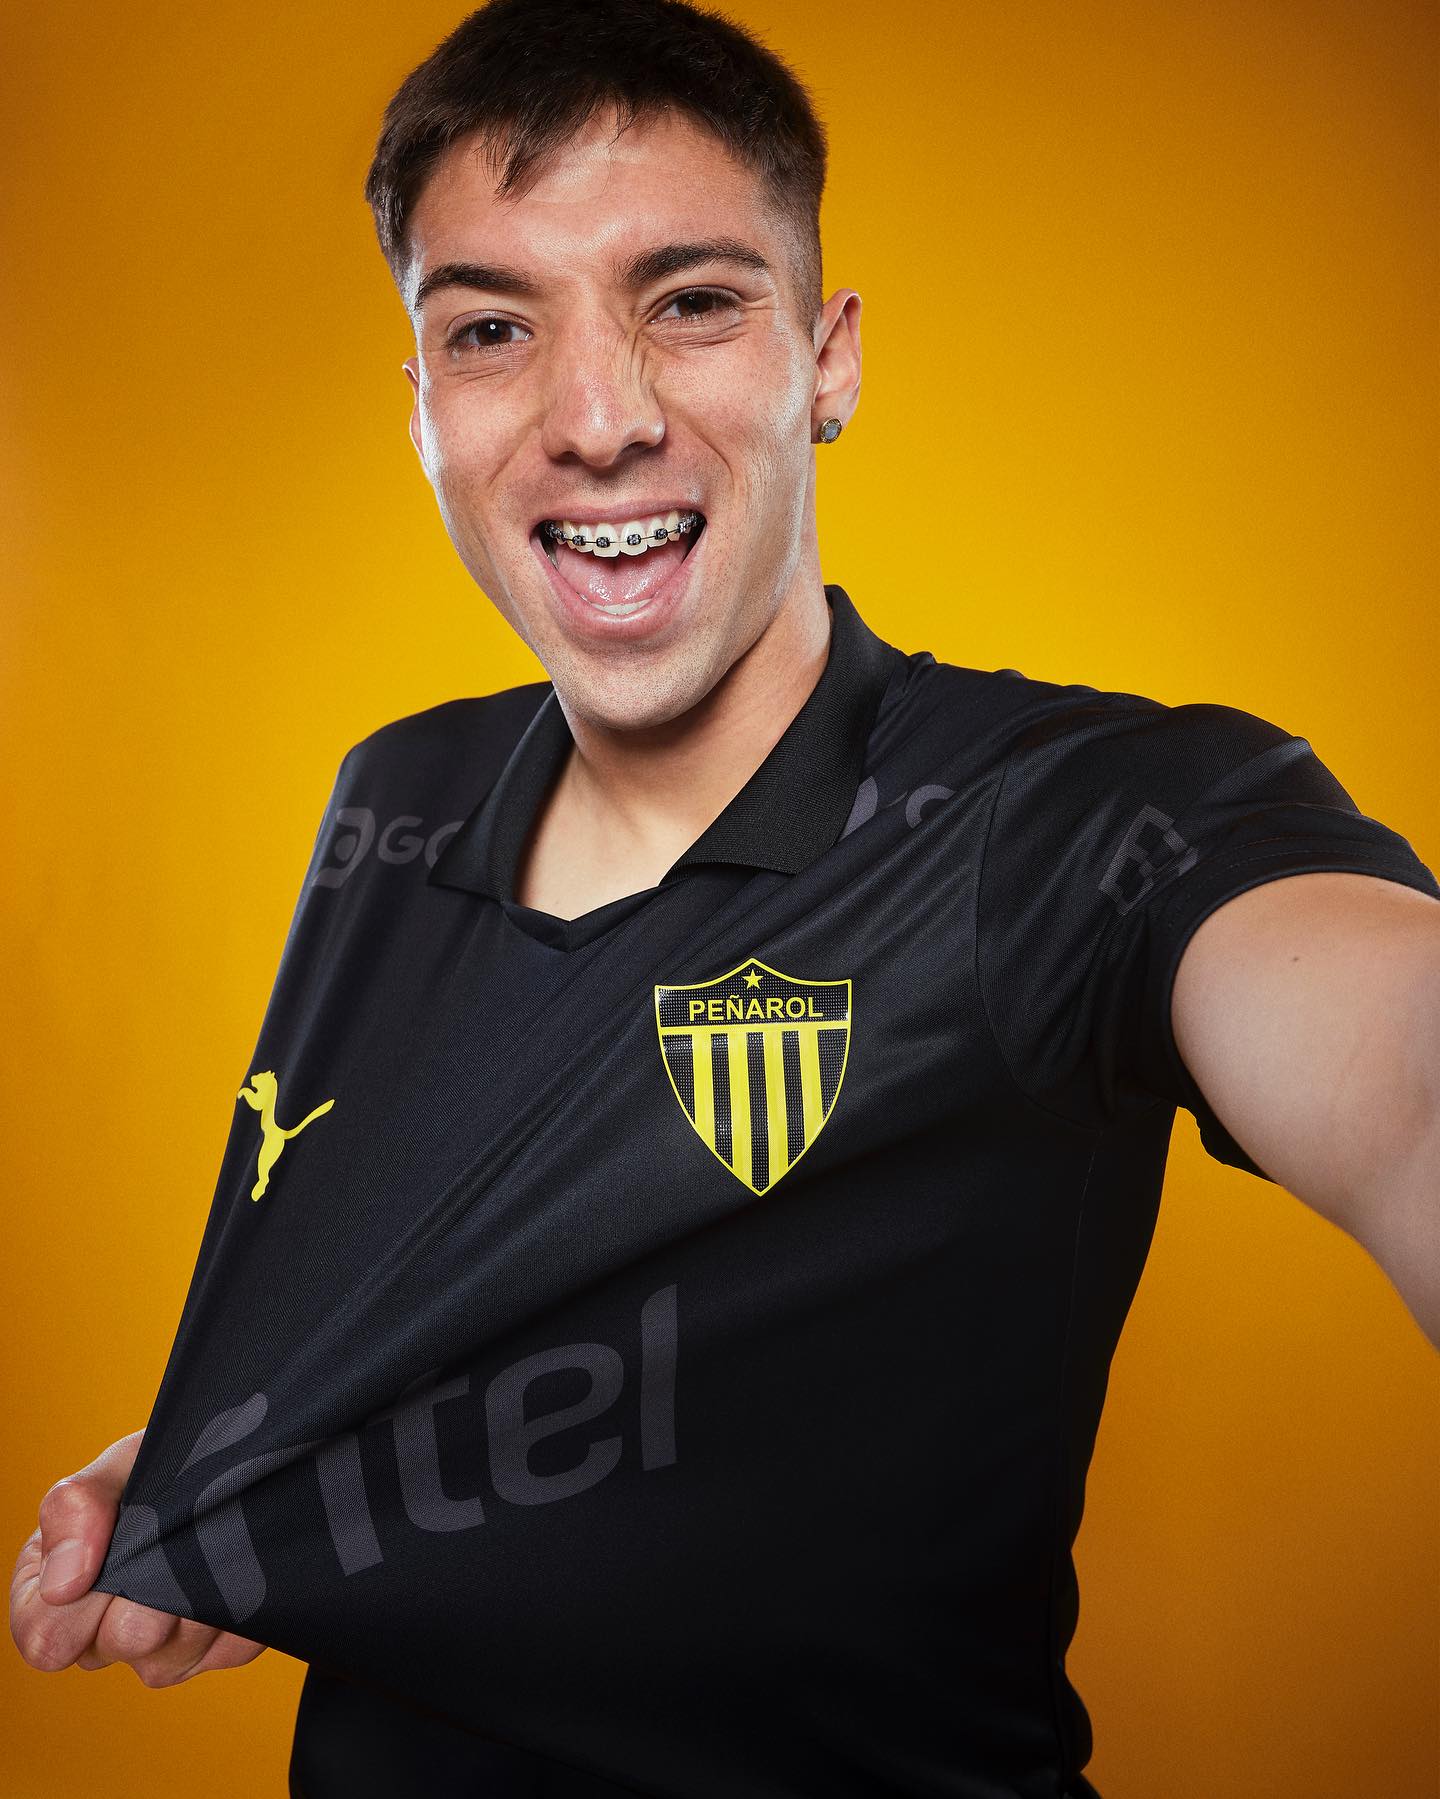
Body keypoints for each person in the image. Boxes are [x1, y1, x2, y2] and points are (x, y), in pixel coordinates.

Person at [10, 0, 1439, 1794]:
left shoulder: (1075, 821)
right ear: (423, 406)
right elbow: (453, 1280)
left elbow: (1397, 1068)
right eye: (491, 328)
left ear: (828, 361)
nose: (598, 420)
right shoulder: (399, 794)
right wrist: (273, 1471)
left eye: (690, 302)